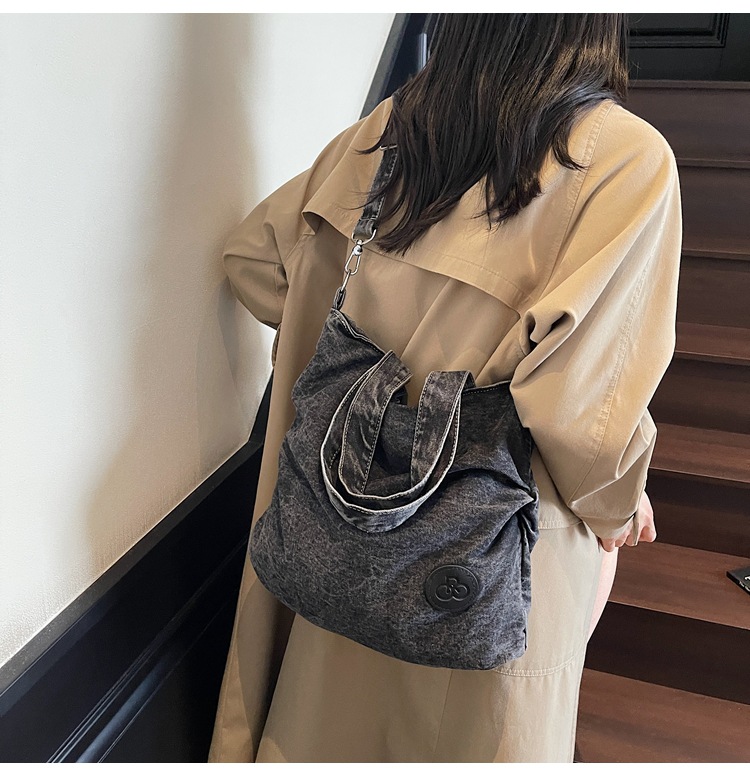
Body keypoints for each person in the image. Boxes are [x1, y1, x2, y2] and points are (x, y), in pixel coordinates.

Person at [208, 13, 681, 763]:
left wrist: (364, 358)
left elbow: (253, 262)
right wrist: (620, 501)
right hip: (490, 562)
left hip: (333, 530)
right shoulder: (623, 159)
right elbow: (583, 413)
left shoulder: (383, 135)